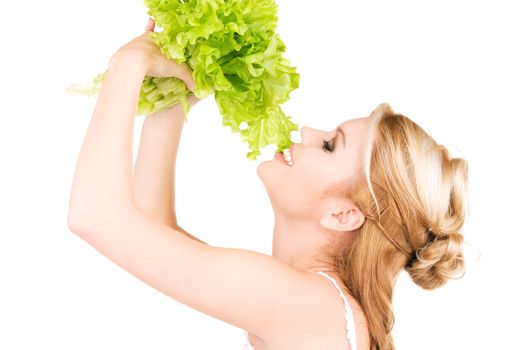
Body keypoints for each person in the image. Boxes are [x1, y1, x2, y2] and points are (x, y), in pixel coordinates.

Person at [68, 18, 469, 350]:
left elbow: (94, 216)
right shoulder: (315, 301)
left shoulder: (313, 306)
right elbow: (151, 225)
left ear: (343, 214)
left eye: (330, 145)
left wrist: (127, 64)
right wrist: (175, 94)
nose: (308, 131)